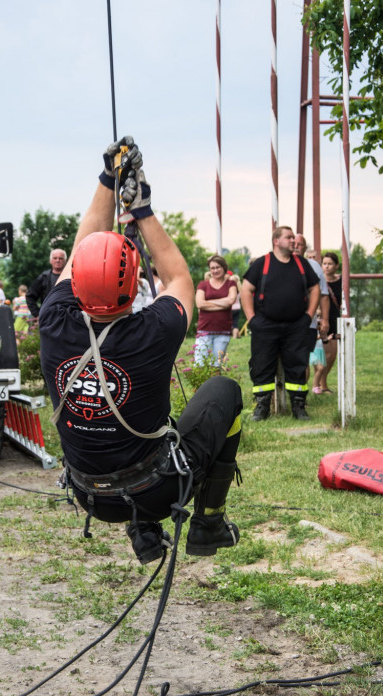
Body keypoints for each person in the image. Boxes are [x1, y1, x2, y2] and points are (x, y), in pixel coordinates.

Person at [39, 137, 243, 565]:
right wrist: (142, 208)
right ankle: (208, 523)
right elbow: (179, 278)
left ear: (74, 283)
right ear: (134, 284)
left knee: (137, 425)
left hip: (90, 494)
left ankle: (144, 531)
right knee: (224, 391)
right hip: (156, 487)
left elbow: (85, 243)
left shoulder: (53, 321)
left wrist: (107, 179)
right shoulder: (154, 330)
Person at [240, 225, 320, 421]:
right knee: (262, 365)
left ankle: (299, 407)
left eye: (293, 238)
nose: (293, 241)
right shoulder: (262, 263)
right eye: (289, 237)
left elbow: (315, 288)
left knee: (297, 366)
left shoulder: (301, 263)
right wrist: (252, 318)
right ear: (276, 241)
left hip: (296, 326)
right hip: (265, 326)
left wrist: (308, 316)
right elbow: (245, 290)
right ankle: (262, 408)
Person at [293, 236, 330, 387]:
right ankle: (278, 397)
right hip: (281, 322)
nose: (295, 247)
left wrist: (325, 320)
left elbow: (324, 294)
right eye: (293, 243)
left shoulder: (313, 266)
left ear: (304, 248)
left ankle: (300, 396)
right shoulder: (276, 263)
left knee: (303, 360)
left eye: (299, 244)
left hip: (307, 322)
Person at [194, 255, 237, 366]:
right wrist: (223, 304)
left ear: (224, 267)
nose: (215, 270)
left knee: (216, 366)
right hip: (204, 331)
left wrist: (208, 303)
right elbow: (199, 303)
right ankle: (201, 385)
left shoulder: (231, 284)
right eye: (212, 268)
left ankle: (215, 384)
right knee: (199, 364)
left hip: (223, 331)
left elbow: (231, 300)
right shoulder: (203, 285)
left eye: (218, 267)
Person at [319, 251, 342, 394]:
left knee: (333, 355)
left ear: (336, 266)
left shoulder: (341, 281)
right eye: (324, 264)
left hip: (337, 320)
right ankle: (322, 385)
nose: (327, 267)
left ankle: (323, 381)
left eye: (330, 264)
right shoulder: (319, 282)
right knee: (326, 355)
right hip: (323, 320)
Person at [26, 248, 67, 318]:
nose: (58, 260)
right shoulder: (43, 277)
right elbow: (30, 296)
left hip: (68, 318)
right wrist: (37, 314)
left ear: (65, 261)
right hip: (48, 318)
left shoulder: (71, 277)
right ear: (50, 261)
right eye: (55, 258)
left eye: (61, 258)